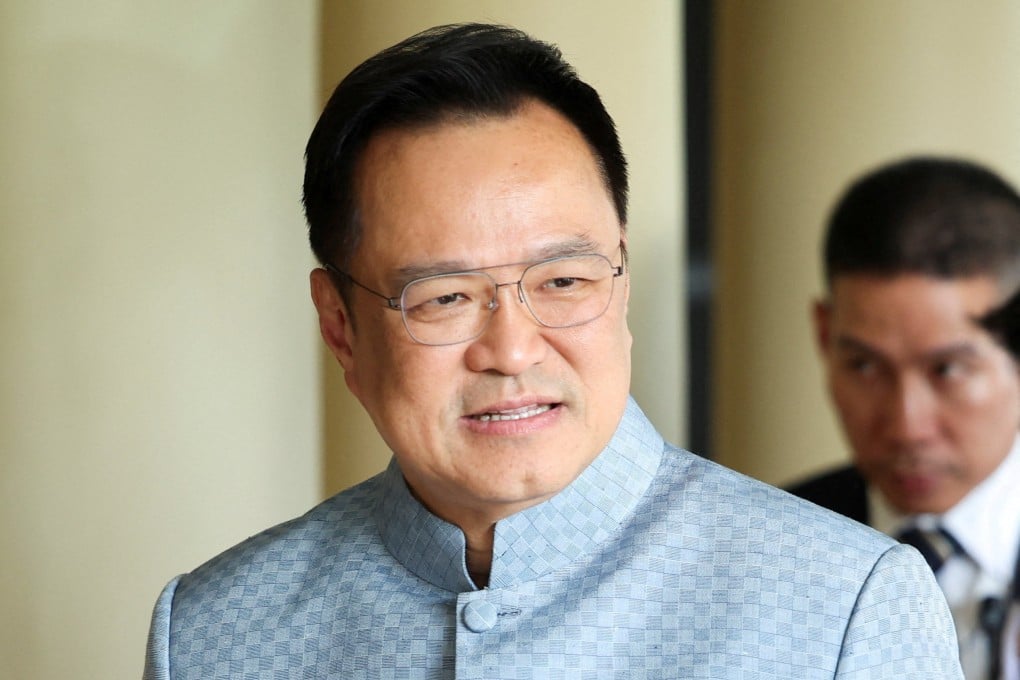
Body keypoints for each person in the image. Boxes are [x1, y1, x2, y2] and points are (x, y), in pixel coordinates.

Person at [143, 24, 962, 678]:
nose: (511, 350)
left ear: (623, 280)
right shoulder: (214, 634)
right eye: (445, 297)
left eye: (564, 281)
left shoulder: (842, 606)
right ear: (339, 328)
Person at [789, 156, 1020, 679]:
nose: (906, 427)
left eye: (948, 370)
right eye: (865, 366)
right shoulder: (761, 551)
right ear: (824, 336)